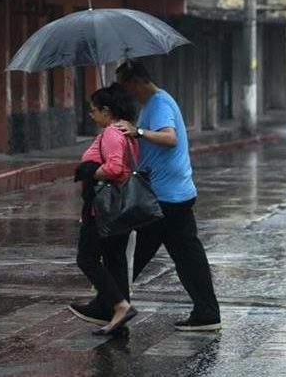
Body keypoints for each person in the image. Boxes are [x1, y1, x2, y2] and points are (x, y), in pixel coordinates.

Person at [115, 60, 221, 331]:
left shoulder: (159, 103)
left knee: (130, 253)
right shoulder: (153, 104)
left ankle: (111, 304)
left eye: (126, 86)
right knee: (188, 256)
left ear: (137, 81)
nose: (127, 93)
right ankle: (207, 314)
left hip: (164, 197)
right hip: (176, 193)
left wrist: (137, 131)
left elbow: (169, 137)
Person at [70, 84, 140, 336]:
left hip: (102, 211)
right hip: (122, 210)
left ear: (106, 110)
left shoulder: (112, 132)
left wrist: (87, 172)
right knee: (115, 261)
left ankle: (119, 305)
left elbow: (114, 169)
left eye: (93, 110)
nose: (91, 115)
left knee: (87, 259)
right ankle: (115, 315)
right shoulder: (126, 132)